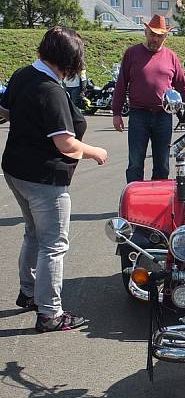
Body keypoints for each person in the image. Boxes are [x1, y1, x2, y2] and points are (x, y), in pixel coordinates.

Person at [0, 26, 108, 332]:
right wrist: (95, 151)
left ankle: (30, 292)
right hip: (44, 177)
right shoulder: (51, 90)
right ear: (69, 59)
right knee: (54, 243)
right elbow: (66, 144)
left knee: (33, 233)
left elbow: (5, 110)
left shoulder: (23, 75)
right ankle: (50, 313)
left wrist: (28, 119)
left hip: (15, 169)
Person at [112, 14, 185, 183]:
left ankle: (156, 203)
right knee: (135, 163)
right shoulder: (132, 54)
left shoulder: (171, 57)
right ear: (145, 32)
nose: (155, 38)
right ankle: (133, 202)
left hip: (163, 116)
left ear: (165, 37)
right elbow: (121, 85)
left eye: (159, 35)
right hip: (138, 114)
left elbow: (182, 87)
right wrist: (116, 113)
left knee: (162, 164)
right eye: (152, 34)